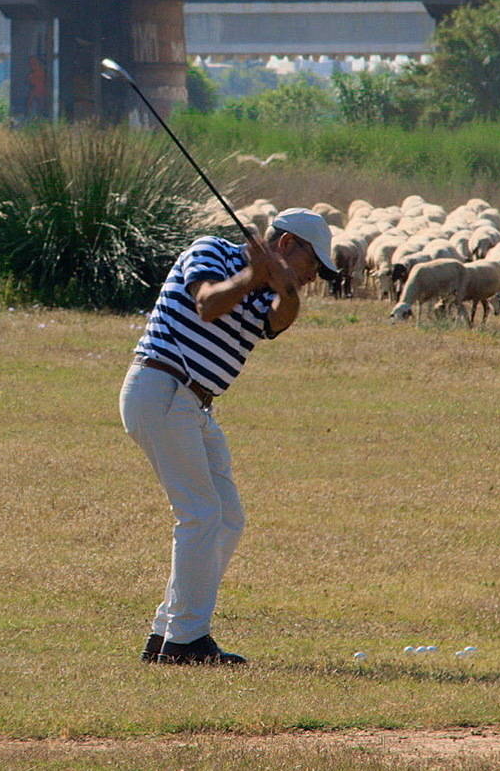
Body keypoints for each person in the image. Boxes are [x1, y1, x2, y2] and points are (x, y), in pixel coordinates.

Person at [119, 207, 337, 665]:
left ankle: (169, 632)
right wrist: (254, 277)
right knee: (200, 515)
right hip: (163, 386)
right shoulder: (210, 251)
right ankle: (186, 643)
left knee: (227, 517)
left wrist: (284, 284)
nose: (314, 276)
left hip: (193, 403)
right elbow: (207, 304)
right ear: (286, 245)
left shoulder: (268, 291)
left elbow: (280, 320)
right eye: (312, 265)